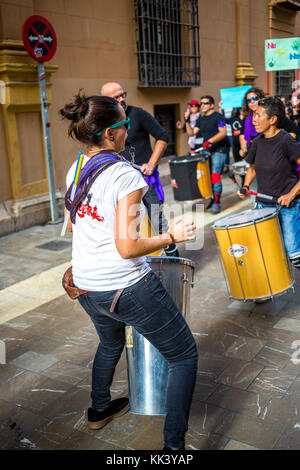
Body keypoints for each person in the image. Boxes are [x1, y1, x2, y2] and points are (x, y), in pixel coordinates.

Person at [60, 91, 198, 450]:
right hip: (125, 287)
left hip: (86, 285)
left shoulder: (76, 169)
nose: (128, 131)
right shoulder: (125, 175)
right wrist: (172, 234)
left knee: (110, 343)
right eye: (124, 125)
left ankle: (100, 409)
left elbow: (74, 226)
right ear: (110, 133)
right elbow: (128, 248)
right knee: (184, 355)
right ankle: (173, 448)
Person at [100, 82, 179, 257]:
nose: (122, 99)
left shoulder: (137, 113)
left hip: (144, 179)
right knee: (127, 226)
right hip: (119, 181)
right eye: (116, 97)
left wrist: (151, 163)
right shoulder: (104, 121)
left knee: (157, 220)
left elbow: (163, 136)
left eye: (123, 94)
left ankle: (175, 261)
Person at [237, 96, 300, 270]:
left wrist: (291, 194)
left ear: (272, 120)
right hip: (264, 206)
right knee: (266, 251)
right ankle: (266, 294)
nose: (254, 120)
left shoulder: (286, 140)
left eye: (258, 115)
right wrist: (246, 185)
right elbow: (252, 168)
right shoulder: (257, 142)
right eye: (253, 115)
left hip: (289, 207)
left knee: (295, 256)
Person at [185, 95, 227, 214]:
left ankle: (217, 203)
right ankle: (213, 200)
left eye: (205, 103)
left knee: (215, 177)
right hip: (206, 152)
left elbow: (223, 133)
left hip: (219, 151)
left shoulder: (219, 117)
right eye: (201, 103)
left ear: (212, 105)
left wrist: (210, 141)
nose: (202, 105)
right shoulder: (201, 119)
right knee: (208, 179)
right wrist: (187, 120)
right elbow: (192, 133)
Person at [239, 87, 300, 158]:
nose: (252, 101)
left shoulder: (272, 114)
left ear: (260, 99)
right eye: (249, 100)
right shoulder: (247, 118)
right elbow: (242, 133)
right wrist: (243, 148)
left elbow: (294, 129)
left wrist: (282, 144)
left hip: (272, 155)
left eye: (255, 98)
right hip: (254, 154)